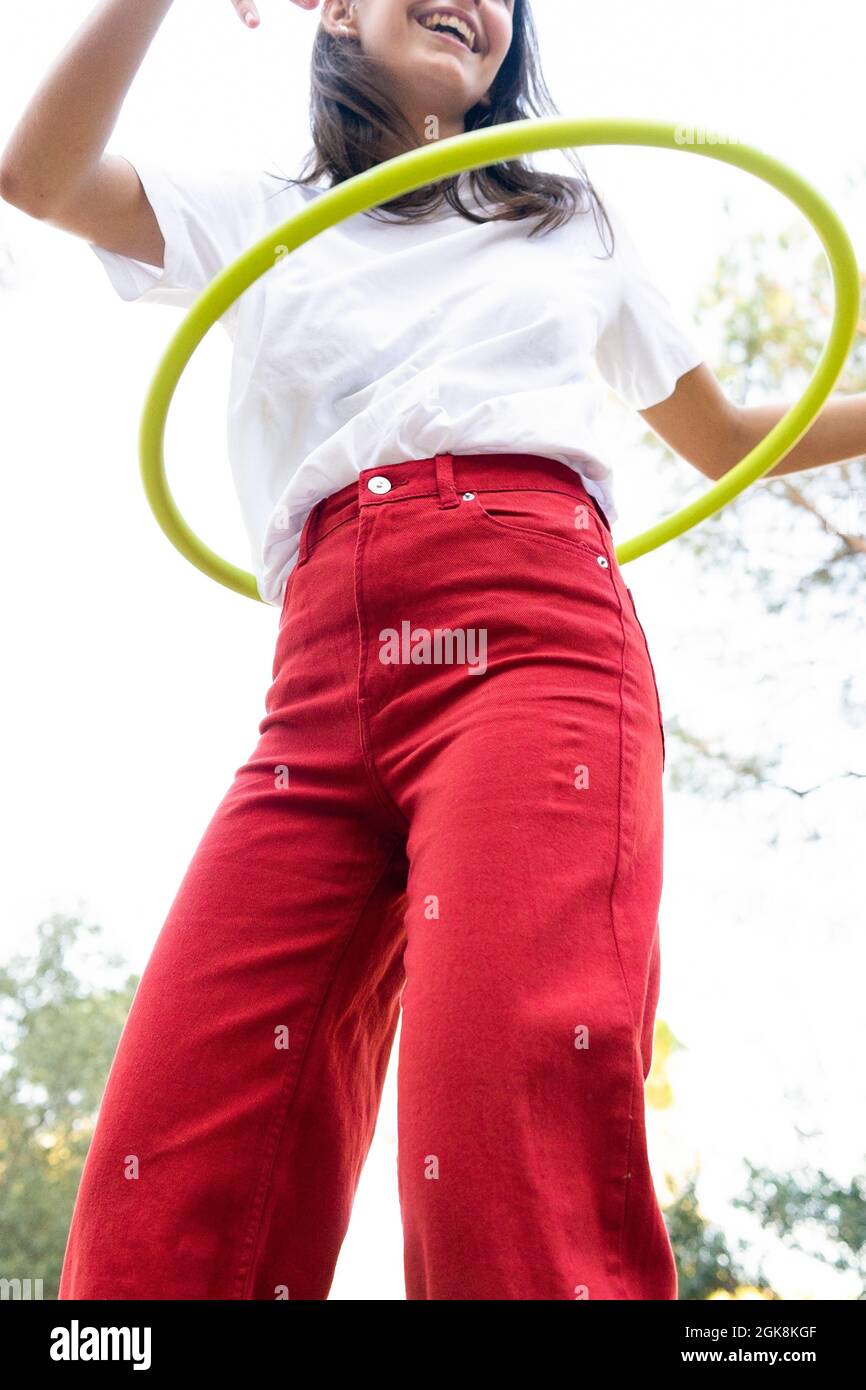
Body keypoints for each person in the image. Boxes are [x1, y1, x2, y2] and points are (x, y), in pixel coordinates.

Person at [1, 0, 721, 1300]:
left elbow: (725, 438)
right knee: (171, 1149)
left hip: (530, 633)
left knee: (500, 1100)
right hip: (319, 681)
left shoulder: (568, 220)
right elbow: (39, 177)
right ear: (331, 5)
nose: (476, 3)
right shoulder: (263, 211)